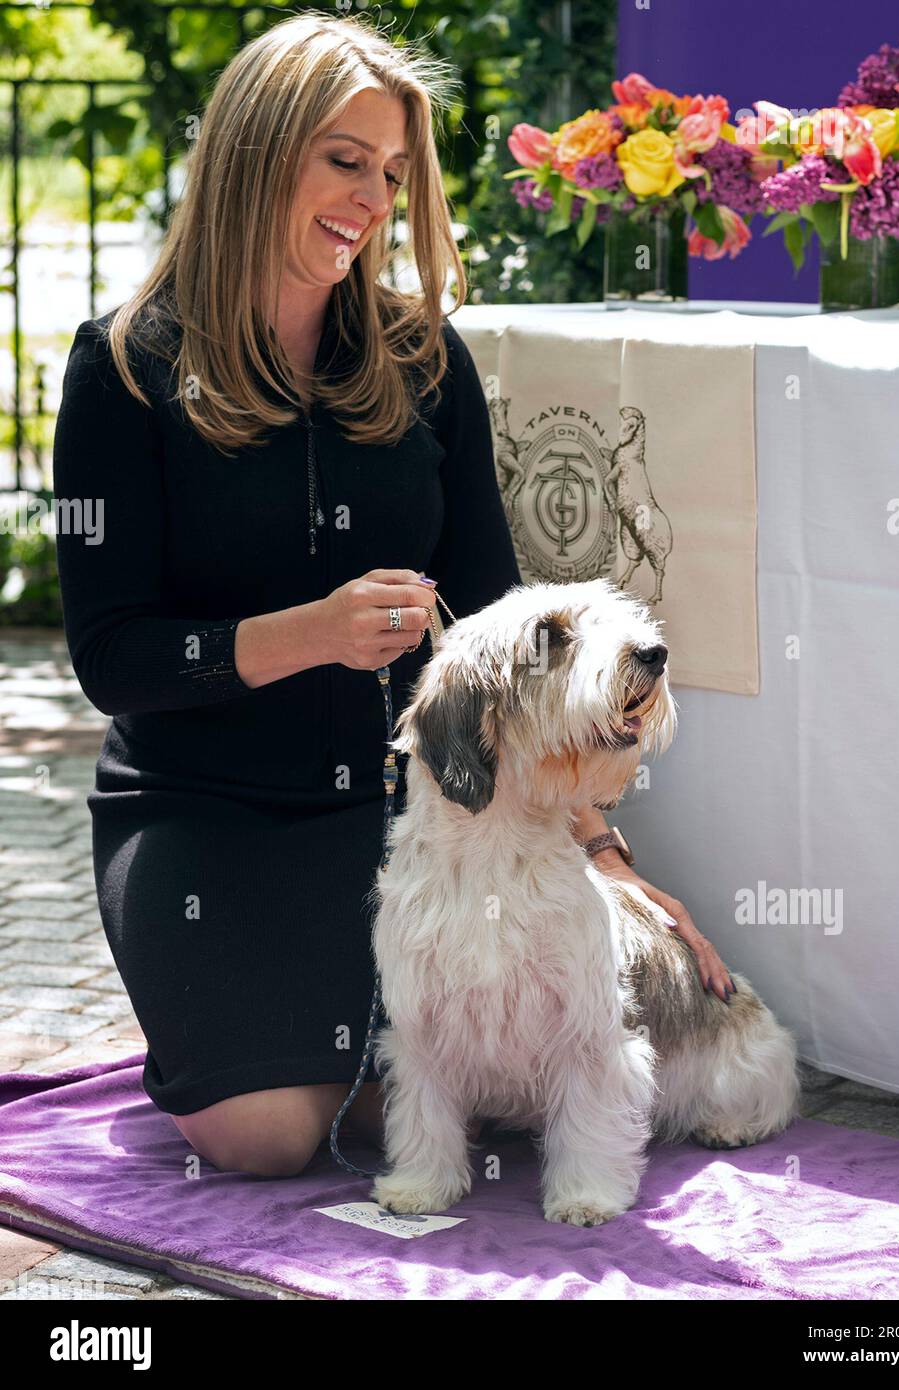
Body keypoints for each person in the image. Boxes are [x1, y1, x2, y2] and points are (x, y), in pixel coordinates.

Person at [53, 13, 730, 1180]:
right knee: (262, 1138)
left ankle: (360, 1058)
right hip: (200, 806)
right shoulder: (122, 366)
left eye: (392, 171)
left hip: (412, 820)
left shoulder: (424, 362)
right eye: (342, 158)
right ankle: (297, 1050)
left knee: (454, 1085)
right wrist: (302, 636)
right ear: (258, 150)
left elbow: (507, 637)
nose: (370, 198)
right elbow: (113, 659)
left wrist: (601, 848)